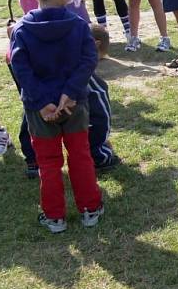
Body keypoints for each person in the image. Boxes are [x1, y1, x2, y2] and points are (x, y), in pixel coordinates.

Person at [9, 0, 104, 233]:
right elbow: (88, 60)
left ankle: (54, 217)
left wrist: (42, 101)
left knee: (48, 163)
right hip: (72, 105)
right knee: (80, 155)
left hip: (41, 111)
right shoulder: (77, 25)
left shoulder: (22, 30)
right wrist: (70, 94)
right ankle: (90, 207)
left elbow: (20, 68)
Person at [15, 23, 121, 176]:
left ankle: (33, 161)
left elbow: (30, 114)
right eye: (98, 59)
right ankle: (98, 157)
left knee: (32, 112)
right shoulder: (88, 80)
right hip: (73, 123)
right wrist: (100, 151)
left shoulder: (42, 69)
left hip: (40, 101)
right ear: (94, 45)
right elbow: (100, 117)